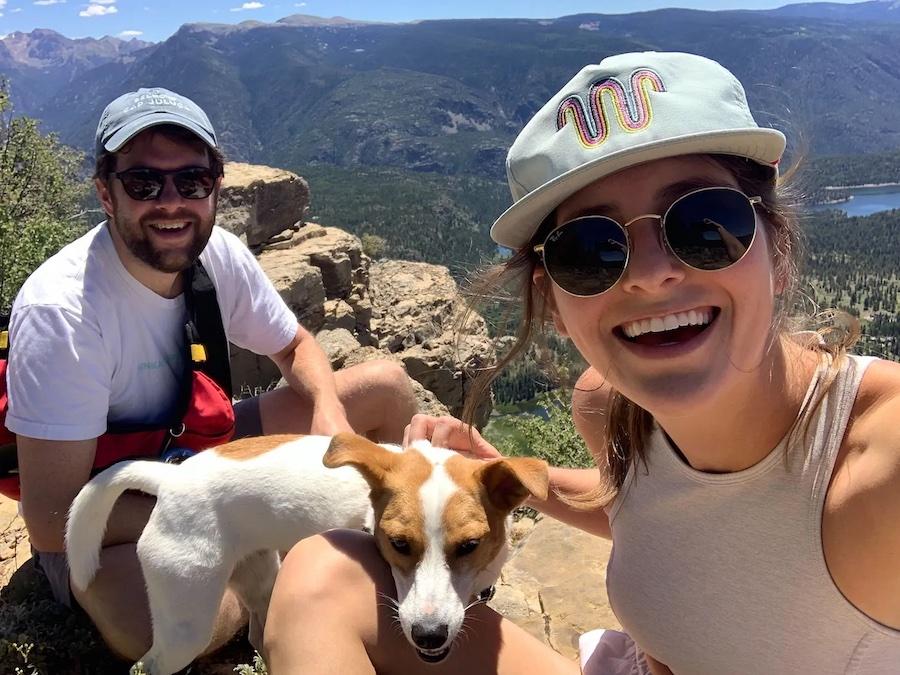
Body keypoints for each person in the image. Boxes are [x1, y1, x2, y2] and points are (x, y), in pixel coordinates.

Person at [262, 52, 900, 674]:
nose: (651, 275)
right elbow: (648, 510)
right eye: (590, 250)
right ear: (555, 305)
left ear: (778, 248)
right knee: (323, 573)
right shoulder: (611, 407)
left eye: (706, 223)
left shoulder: (879, 465)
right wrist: (489, 475)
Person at [4, 87, 417, 662]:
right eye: (143, 183)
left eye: (192, 182)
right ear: (105, 192)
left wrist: (329, 412)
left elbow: (295, 346)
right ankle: (303, 588)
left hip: (199, 454)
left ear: (215, 187)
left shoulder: (217, 254)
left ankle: (396, 560)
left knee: (384, 388)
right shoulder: (63, 313)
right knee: (151, 630)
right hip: (109, 513)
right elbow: (51, 519)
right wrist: (224, 506)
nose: (171, 203)